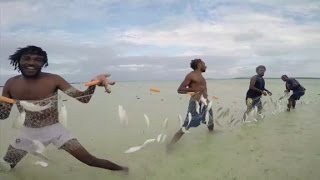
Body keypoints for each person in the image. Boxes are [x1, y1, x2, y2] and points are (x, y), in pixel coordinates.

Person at [0, 45, 128, 172]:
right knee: (6, 166)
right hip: (27, 134)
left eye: (37, 59)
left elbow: (83, 98)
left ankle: (124, 170)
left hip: (56, 131)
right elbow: (3, 115)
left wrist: (93, 83)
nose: (31, 62)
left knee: (90, 160)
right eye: (26, 58)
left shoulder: (54, 79)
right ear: (19, 60)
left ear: (44, 63)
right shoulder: (11, 84)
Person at [167, 59, 214, 151]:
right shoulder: (191, 75)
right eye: (204, 64)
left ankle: (211, 136)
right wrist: (193, 90)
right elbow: (180, 89)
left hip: (205, 102)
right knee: (186, 125)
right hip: (196, 102)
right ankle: (170, 145)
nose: (206, 66)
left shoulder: (200, 76)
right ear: (199, 64)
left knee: (210, 121)